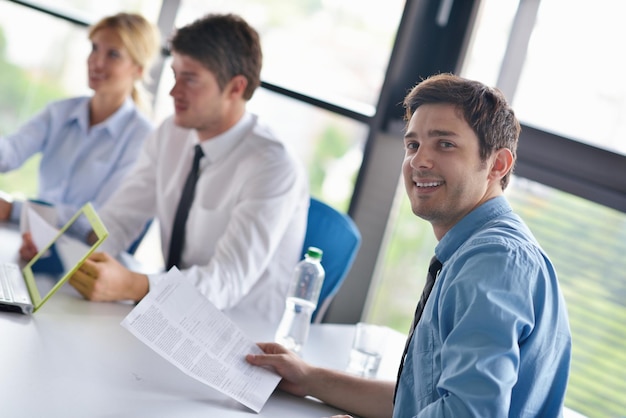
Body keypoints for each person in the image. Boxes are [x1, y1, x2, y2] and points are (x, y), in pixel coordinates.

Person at [246, 73, 572, 417]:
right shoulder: (476, 249)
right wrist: (310, 378)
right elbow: (420, 403)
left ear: (497, 164)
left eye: (444, 144)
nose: (418, 161)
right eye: (413, 145)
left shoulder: (494, 260)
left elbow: (467, 413)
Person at [65, 13, 309, 323]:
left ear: (236, 87)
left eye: (190, 79)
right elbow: (119, 219)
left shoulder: (273, 167)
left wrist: (134, 284)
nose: (173, 91)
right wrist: (70, 254)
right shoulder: (171, 133)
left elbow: (227, 280)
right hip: (168, 317)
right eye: (175, 74)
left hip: (236, 335)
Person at [0, 12, 160, 238]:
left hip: (80, 254)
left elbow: (98, 218)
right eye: (94, 48)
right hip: (31, 237)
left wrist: (15, 210)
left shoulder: (142, 137)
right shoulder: (60, 112)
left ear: (138, 70)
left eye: (113, 54)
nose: (97, 62)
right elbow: (10, 153)